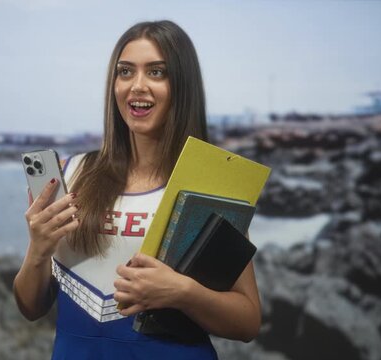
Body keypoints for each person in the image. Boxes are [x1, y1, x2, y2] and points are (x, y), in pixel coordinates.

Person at [13, 20, 261, 359]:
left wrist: (183, 292)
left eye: (156, 73)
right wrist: (38, 249)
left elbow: (247, 321)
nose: (137, 86)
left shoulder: (208, 183)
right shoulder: (73, 173)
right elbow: (30, 306)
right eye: (125, 72)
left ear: (182, 85)